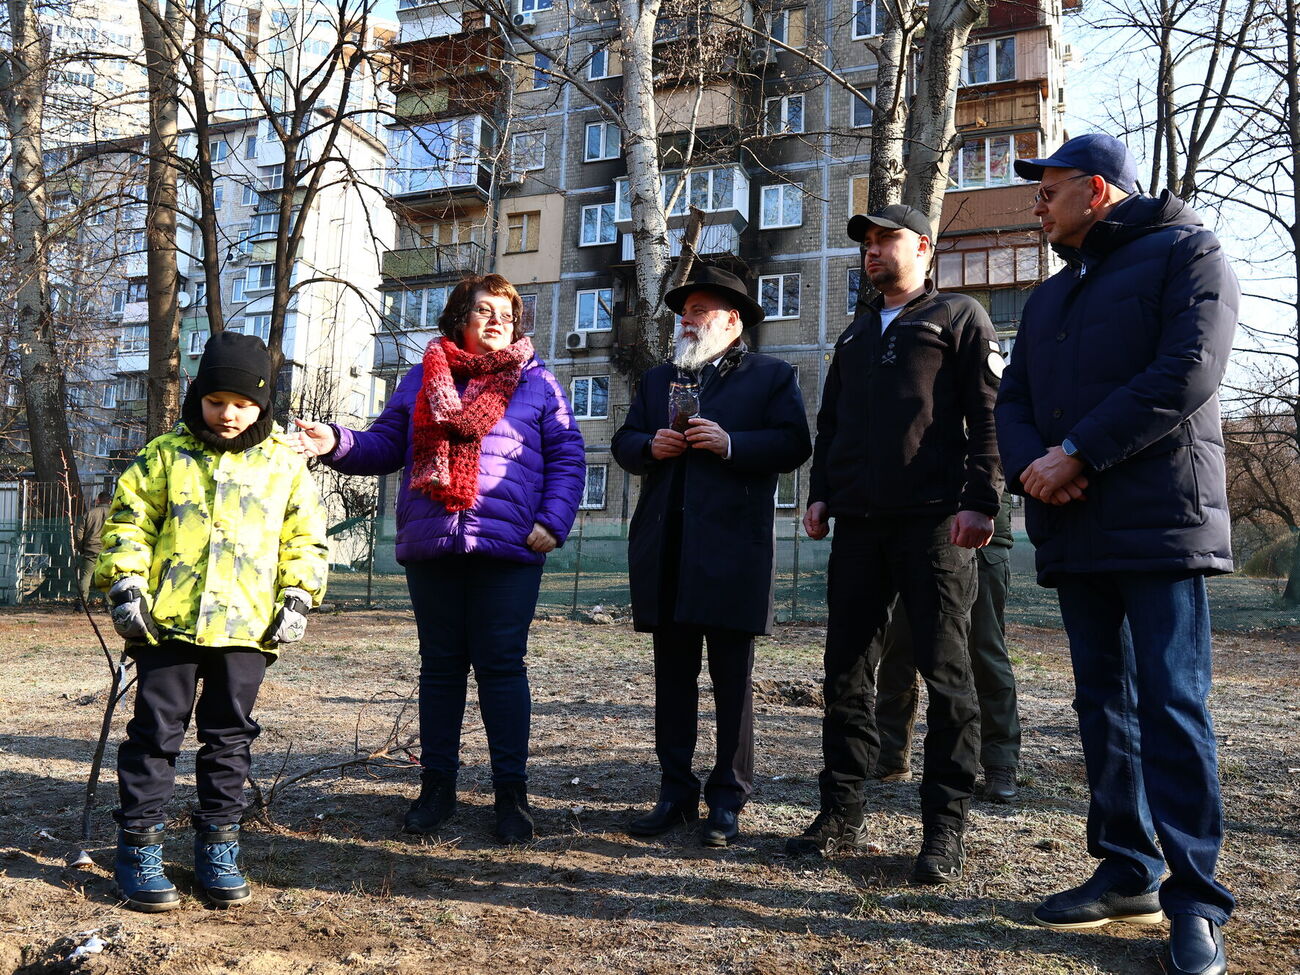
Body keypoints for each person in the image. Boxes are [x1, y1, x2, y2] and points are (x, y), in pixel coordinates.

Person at [997, 133, 1236, 975]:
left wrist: (1078, 454)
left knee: (1172, 703)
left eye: (1047, 190)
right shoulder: (1052, 298)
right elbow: (1014, 396)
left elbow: (1187, 372)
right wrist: (1035, 468)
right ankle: (1127, 868)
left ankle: (1197, 899)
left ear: (1096, 189)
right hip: (1075, 524)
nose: (1037, 205)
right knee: (1104, 702)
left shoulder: (1189, 252)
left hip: (1160, 520)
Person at [295, 274, 585, 846]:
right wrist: (335, 441)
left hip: (509, 548)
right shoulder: (422, 377)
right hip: (434, 544)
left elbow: (568, 455)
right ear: (460, 319)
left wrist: (553, 521)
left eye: (506, 312)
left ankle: (511, 797)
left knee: (502, 668)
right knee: (441, 668)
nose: (497, 319)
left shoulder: (538, 381)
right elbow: (384, 445)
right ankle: (437, 790)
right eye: (484, 310)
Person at [789, 205, 1003, 884]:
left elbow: (988, 414)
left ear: (925, 248)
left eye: (886, 239)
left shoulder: (958, 316)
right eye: (867, 243)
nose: (873, 250)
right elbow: (832, 424)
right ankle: (840, 811)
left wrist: (981, 497)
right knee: (846, 669)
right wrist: (821, 490)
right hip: (858, 523)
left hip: (937, 523)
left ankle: (944, 828)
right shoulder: (854, 336)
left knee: (947, 673)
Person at [95, 331, 329, 912]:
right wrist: (126, 584)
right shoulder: (162, 457)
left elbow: (306, 539)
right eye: (217, 399)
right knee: (154, 734)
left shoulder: (286, 467)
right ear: (198, 394)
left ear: (264, 404)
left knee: (228, 738)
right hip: (166, 626)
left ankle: (218, 845)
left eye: (244, 403)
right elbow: (129, 524)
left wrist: (298, 595)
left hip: (247, 629)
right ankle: (139, 848)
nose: (229, 414)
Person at [611, 264, 810, 848]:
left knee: (732, 680)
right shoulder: (656, 381)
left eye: (700, 311)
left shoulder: (772, 376)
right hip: (667, 548)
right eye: (684, 311)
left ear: (732, 319)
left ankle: (727, 799)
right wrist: (651, 445)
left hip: (732, 551)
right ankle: (675, 792)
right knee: (672, 679)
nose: (687, 320)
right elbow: (623, 441)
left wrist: (731, 444)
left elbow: (794, 443)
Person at [869, 494, 1021, 802]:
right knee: (899, 645)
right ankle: (890, 753)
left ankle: (999, 761)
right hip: (915, 529)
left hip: (981, 533)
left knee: (983, 650)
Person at [75, 491, 111, 607]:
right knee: (109, 577)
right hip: (109, 550)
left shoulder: (89, 513)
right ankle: (109, 604)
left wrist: (82, 548)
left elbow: (78, 534)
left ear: (97, 500)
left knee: (86, 577)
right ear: (110, 501)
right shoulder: (114, 515)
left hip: (91, 550)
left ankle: (81, 604)